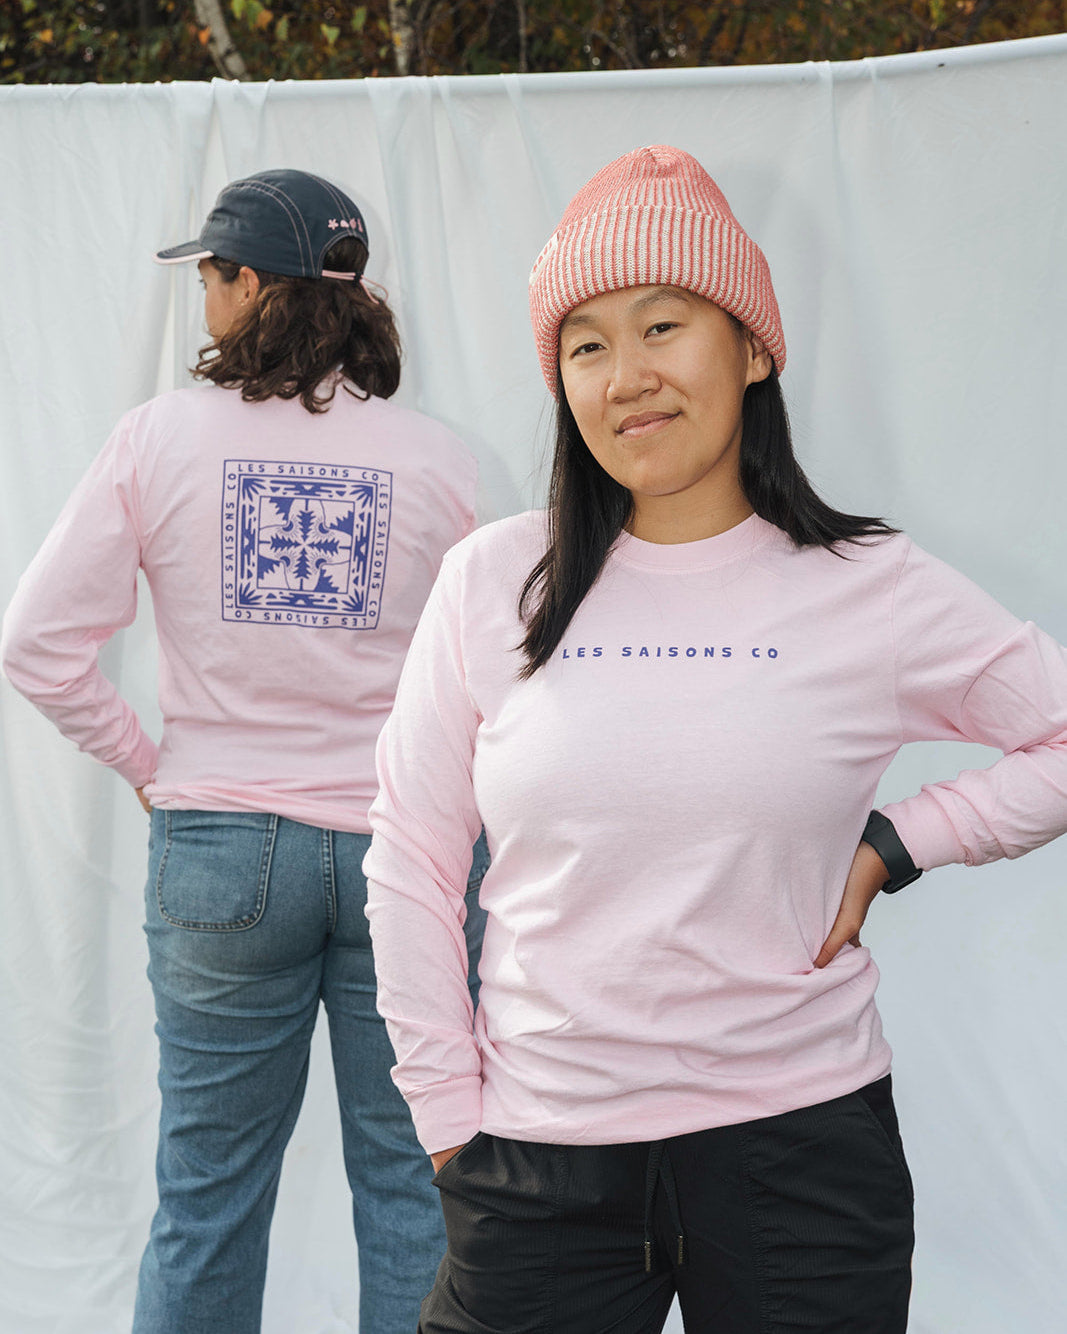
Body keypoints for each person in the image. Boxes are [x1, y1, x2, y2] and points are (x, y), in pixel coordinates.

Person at [362, 145, 1067, 1333]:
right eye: (585, 343)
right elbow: (411, 858)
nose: (624, 375)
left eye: (661, 325)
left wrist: (901, 836)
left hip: (798, 1156)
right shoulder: (494, 582)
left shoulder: (866, 587)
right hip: (541, 1158)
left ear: (748, 348)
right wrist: (448, 1122)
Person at [1, 168, 488, 1334]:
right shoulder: (441, 462)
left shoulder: (156, 442)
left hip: (221, 854)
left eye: (211, 275)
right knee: (419, 1192)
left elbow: (36, 642)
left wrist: (153, 767)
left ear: (251, 283)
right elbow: (502, 682)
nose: (204, 299)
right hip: (404, 854)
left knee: (208, 1201)